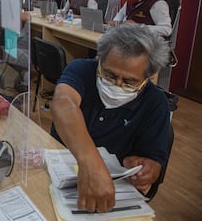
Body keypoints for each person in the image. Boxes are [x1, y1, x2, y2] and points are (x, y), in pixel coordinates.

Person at [50, 24, 171, 213]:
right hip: (60, 170)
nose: (117, 85)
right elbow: (63, 102)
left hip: (110, 189)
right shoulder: (81, 69)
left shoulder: (156, 103)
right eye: (110, 75)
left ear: (147, 78)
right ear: (99, 60)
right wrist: (91, 164)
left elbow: (154, 162)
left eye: (129, 81)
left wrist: (146, 171)